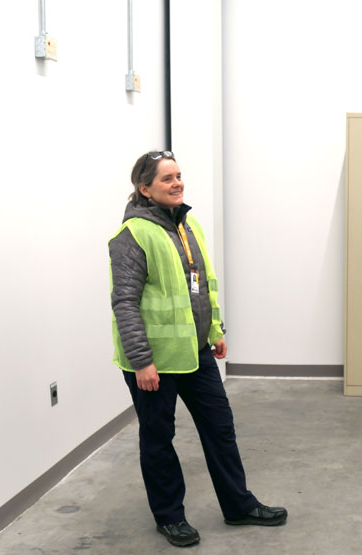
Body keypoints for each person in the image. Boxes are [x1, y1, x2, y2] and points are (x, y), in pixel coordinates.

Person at [108, 150, 287, 548]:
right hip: (154, 363)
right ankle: (170, 517)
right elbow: (125, 302)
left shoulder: (189, 226)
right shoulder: (132, 236)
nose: (178, 183)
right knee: (158, 439)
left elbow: (203, 284)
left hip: (196, 352)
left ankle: (238, 505)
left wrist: (216, 329)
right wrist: (142, 362)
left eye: (179, 176)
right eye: (167, 179)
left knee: (220, 428)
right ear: (145, 189)